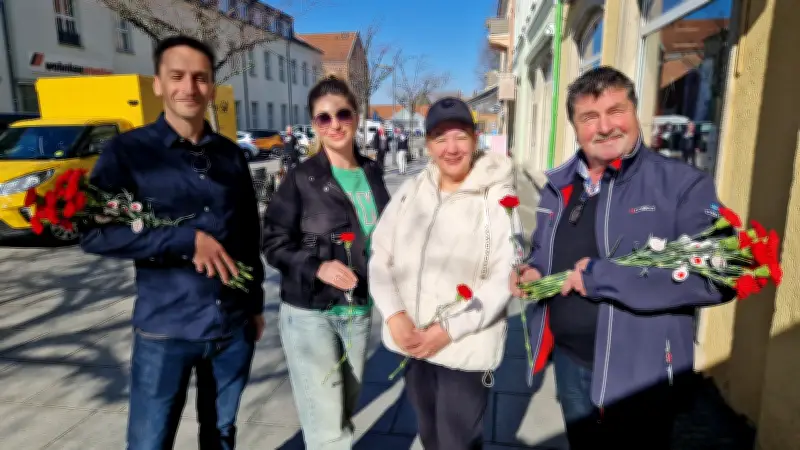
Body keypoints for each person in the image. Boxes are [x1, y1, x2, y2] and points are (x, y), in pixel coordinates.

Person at [511, 66, 735, 450]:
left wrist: (602, 277)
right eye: (589, 117)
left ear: (635, 112)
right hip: (569, 361)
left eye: (616, 110)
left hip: (641, 374)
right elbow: (546, 252)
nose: (605, 126)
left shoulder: (681, 185)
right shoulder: (558, 187)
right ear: (575, 127)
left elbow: (721, 274)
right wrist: (533, 270)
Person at [80, 35, 265, 450]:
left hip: (230, 328)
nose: (189, 88)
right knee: (149, 442)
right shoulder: (129, 152)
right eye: (177, 76)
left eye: (200, 78)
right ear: (158, 84)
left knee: (220, 436)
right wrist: (183, 240)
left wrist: (253, 304)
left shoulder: (230, 155)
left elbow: (247, 235)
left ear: (211, 87)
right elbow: (94, 231)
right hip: (167, 328)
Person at [370, 97, 516, 450]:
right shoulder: (412, 190)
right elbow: (380, 255)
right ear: (428, 144)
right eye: (439, 137)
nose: (451, 148)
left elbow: (505, 274)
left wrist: (448, 329)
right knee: (430, 434)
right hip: (415, 343)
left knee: (457, 442)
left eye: (460, 136)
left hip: (464, 349)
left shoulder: (498, 196)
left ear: (475, 138)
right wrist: (395, 315)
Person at [261, 75, 391, 449]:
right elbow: (272, 241)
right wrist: (317, 266)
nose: (335, 124)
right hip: (310, 313)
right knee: (329, 433)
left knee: (342, 416)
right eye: (323, 118)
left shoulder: (372, 172)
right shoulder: (302, 178)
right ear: (314, 124)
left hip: (358, 312)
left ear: (356, 115)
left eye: (342, 114)